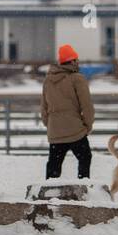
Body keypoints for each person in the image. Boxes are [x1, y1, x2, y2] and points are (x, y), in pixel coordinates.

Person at [41, 44, 95, 179]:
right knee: (85, 157)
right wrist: (87, 126)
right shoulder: (77, 78)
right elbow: (87, 106)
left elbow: (43, 107)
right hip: (75, 130)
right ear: (72, 61)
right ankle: (83, 188)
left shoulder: (48, 79)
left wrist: (51, 125)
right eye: (76, 59)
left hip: (55, 131)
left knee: (53, 165)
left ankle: (48, 193)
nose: (78, 62)